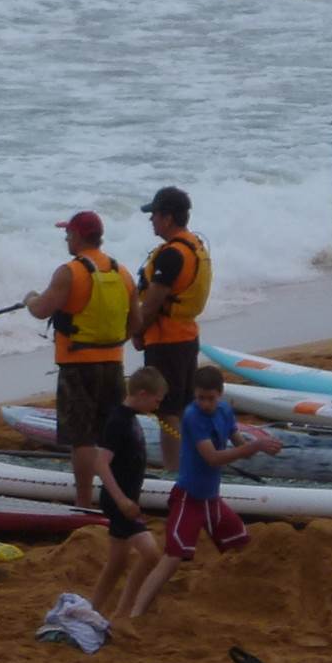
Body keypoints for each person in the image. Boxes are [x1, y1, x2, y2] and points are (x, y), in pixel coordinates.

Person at [125, 366, 280, 618]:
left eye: (211, 398)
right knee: (173, 557)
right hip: (189, 498)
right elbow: (212, 457)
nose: (206, 404)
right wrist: (253, 448)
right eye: (201, 398)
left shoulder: (225, 411)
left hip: (211, 499)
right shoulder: (192, 416)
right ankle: (136, 611)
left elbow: (240, 445)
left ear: (221, 394)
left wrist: (262, 446)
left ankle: (249, 598)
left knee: (243, 546)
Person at [26, 211, 136, 512]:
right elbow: (135, 322)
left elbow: (41, 309)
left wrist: (29, 299)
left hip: (78, 365)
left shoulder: (69, 272)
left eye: (68, 234)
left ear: (77, 236)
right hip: (113, 363)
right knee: (110, 434)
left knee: (83, 438)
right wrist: (112, 345)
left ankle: (84, 501)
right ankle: (116, 495)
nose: (66, 238)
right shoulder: (122, 272)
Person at [129, 186, 214, 469]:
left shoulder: (171, 255)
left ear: (167, 218)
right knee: (182, 406)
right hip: (186, 337)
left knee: (167, 411)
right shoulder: (194, 245)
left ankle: (174, 470)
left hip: (167, 342)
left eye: (154, 214)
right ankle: (189, 464)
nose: (151, 219)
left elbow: (152, 304)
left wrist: (136, 331)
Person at [84, 366, 167, 617]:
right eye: (156, 401)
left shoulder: (130, 418)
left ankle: (92, 610)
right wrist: (121, 500)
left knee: (117, 563)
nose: (157, 406)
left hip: (125, 499)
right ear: (142, 394)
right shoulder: (118, 421)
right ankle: (123, 613)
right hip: (118, 500)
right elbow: (100, 463)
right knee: (151, 554)